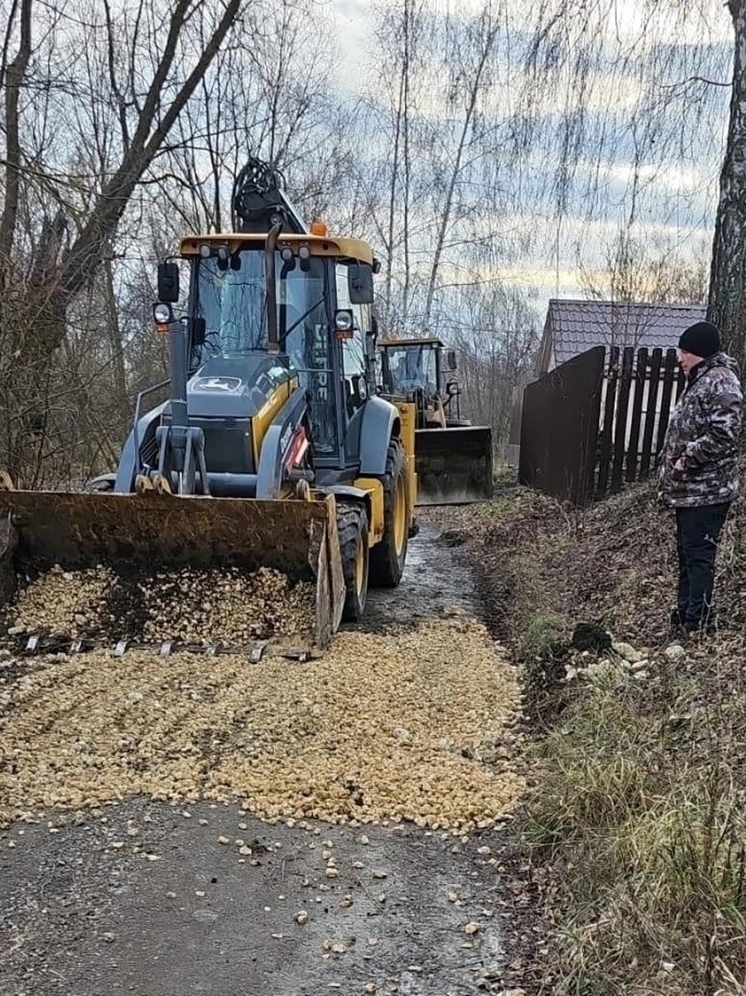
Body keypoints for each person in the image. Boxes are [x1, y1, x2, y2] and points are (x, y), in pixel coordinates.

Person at [659, 320, 742, 636]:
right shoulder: (701, 379)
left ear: (700, 352)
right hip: (690, 491)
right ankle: (683, 616)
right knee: (687, 555)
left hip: (708, 491)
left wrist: (685, 459)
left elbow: (725, 434)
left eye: (685, 352)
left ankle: (697, 623)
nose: (680, 358)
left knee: (698, 557)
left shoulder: (721, 382)